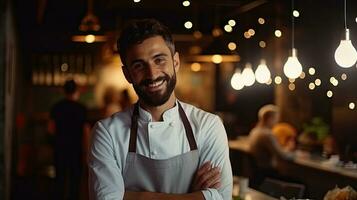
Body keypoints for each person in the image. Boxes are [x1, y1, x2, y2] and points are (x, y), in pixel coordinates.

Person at [88, 19, 233, 200]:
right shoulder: (107, 133)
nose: (152, 74)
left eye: (159, 60)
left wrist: (130, 195)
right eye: (139, 65)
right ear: (128, 74)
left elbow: (222, 198)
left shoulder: (208, 126)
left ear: (176, 62)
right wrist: (194, 196)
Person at [49, 79, 87, 200]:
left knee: (59, 180)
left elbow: (50, 129)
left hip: (60, 148)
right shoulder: (81, 108)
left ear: (63, 91)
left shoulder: (56, 107)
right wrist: (86, 151)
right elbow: (86, 132)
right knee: (75, 182)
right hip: (76, 149)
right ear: (77, 91)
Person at [249, 105, 295, 170]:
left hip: (258, 169)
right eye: (276, 119)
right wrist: (296, 155)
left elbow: (279, 152)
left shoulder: (254, 131)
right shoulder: (267, 134)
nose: (277, 122)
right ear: (270, 119)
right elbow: (282, 156)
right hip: (267, 171)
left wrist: (287, 149)